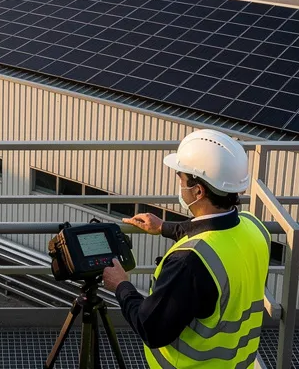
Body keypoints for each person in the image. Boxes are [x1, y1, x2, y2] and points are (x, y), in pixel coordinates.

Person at [102, 129, 271, 369]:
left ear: (198, 191)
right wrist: (164, 227)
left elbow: (151, 328)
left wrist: (121, 285)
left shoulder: (190, 262)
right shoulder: (255, 229)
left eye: (181, 178)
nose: (179, 184)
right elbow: (214, 230)